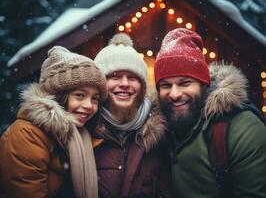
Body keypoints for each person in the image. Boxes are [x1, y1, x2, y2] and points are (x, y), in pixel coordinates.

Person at [154, 27, 266, 197]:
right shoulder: (160, 126)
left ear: (203, 84)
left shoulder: (241, 128)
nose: (174, 94)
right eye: (166, 85)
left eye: (185, 83)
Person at [0, 46, 107, 198]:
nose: (89, 105)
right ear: (58, 96)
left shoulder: (82, 135)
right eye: (80, 95)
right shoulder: (27, 135)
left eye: (95, 98)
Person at [93, 33, 172, 198]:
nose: (124, 84)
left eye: (132, 77)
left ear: (142, 88)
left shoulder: (159, 133)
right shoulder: (85, 130)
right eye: (114, 76)